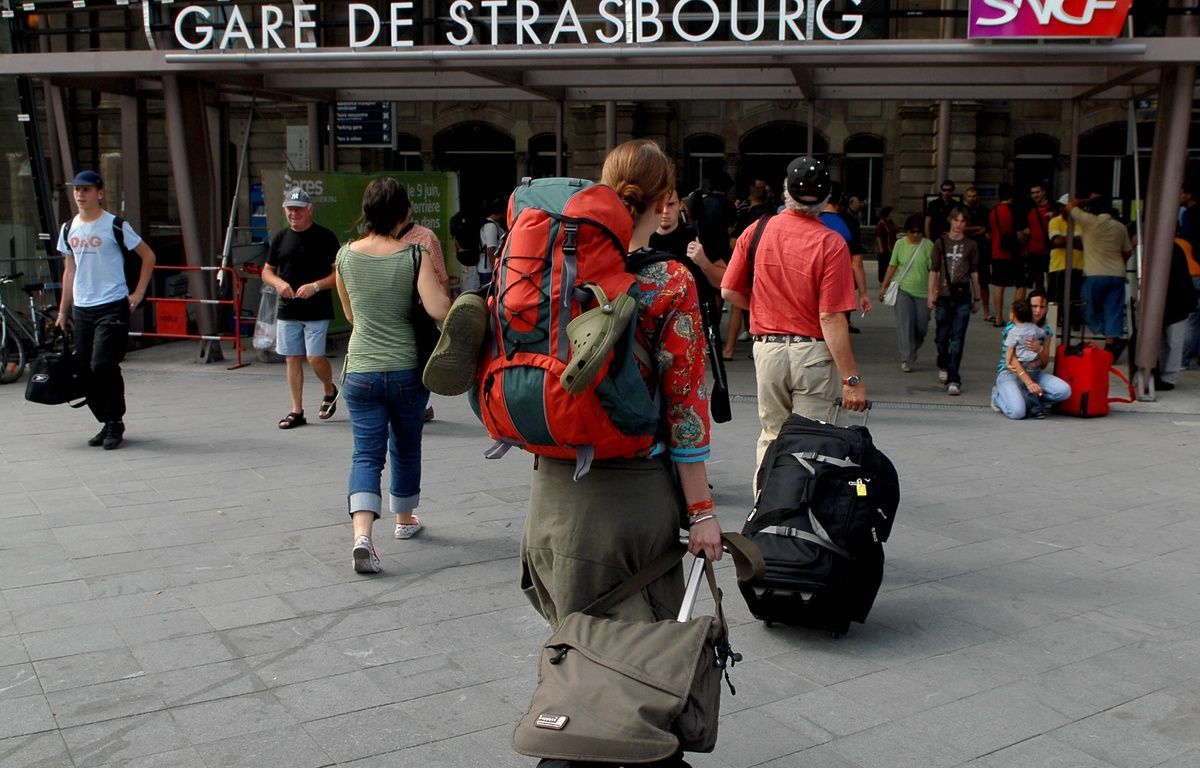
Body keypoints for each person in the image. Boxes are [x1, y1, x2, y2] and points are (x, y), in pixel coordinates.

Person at [519, 143, 723, 762]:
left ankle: (568, 734)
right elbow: (686, 412)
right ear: (665, 205)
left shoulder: (553, 266)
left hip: (553, 499)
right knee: (636, 664)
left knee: (575, 648)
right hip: (633, 504)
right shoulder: (668, 280)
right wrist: (704, 512)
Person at [722, 156, 868, 471]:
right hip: (812, 354)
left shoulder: (757, 230)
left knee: (772, 435)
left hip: (768, 350)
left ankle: (765, 507)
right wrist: (851, 379)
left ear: (787, 190)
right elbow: (830, 317)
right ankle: (799, 513)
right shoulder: (832, 243)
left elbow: (729, 291)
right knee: (810, 441)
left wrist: (765, 307)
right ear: (826, 198)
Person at [335, 178, 450, 573]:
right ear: (405, 215)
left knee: (366, 453)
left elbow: (350, 315)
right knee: (405, 443)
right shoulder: (414, 255)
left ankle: (362, 536)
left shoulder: (345, 256)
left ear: (365, 213)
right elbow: (438, 309)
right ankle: (404, 520)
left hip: (360, 368)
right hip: (405, 368)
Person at [55, 170, 156, 450]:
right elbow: (69, 270)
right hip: (82, 307)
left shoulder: (115, 225)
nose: (80, 195)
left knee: (103, 364)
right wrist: (63, 311)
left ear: (99, 193)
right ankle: (105, 419)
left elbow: (148, 256)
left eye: (86, 190)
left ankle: (115, 421)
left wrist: (138, 292)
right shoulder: (68, 228)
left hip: (112, 304)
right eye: (76, 190)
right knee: (86, 369)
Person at [262, 187, 342, 430]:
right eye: (289, 209)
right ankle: (297, 410)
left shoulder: (325, 237)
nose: (293, 214)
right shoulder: (280, 238)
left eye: (298, 209)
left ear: (310, 209)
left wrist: (316, 287)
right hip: (288, 308)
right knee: (292, 358)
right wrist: (279, 283)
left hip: (317, 308)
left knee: (314, 356)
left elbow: (338, 274)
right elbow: (267, 270)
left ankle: (329, 388)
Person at [1062, 193, 1133, 359]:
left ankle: (1105, 331)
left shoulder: (1089, 221)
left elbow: (1069, 206)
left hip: (1094, 274)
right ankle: (1111, 343)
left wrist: (1088, 199)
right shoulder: (1120, 227)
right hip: (1117, 274)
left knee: (1088, 309)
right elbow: (1128, 251)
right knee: (1113, 310)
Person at [991, 291, 1072, 419]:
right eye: (1034, 306)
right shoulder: (1014, 326)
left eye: (1042, 307)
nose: (1038, 311)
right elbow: (1012, 358)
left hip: (1034, 372)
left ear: (1046, 309)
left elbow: (1044, 364)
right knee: (1017, 413)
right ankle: (997, 395)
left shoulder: (1045, 330)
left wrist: (1039, 349)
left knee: (1064, 391)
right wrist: (1029, 384)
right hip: (1011, 373)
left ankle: (1028, 401)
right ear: (1028, 307)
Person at [927, 207, 982, 396]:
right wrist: (930, 293)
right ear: (950, 221)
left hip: (962, 297)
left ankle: (953, 377)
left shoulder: (971, 245)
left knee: (957, 338)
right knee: (942, 337)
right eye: (956, 220)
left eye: (963, 221)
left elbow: (974, 272)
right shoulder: (940, 243)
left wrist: (977, 297)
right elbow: (933, 269)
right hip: (943, 295)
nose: (959, 225)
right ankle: (943, 361)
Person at [877, 214, 932, 373]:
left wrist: (934, 291)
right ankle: (906, 358)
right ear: (907, 231)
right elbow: (892, 266)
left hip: (923, 292)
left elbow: (934, 270)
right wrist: (883, 287)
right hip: (903, 290)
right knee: (905, 325)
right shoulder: (900, 244)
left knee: (921, 326)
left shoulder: (928, 245)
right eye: (912, 232)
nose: (916, 235)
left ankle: (912, 349)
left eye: (919, 232)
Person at [988, 183, 1027, 328]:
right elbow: (1020, 233)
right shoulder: (1016, 210)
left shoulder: (992, 212)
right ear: (1011, 195)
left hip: (997, 252)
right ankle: (1016, 317)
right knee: (1021, 284)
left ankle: (998, 317)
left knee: (999, 285)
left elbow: (988, 234)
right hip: (1015, 252)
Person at [1046, 193, 1085, 325]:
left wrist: (1066, 240)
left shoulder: (1081, 223)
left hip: (1077, 266)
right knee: (1056, 298)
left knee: (1074, 297)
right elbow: (1056, 241)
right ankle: (1055, 323)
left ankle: (1073, 323)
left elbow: (1085, 243)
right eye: (1062, 207)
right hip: (1058, 266)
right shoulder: (1054, 222)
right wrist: (1076, 241)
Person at [963, 186, 992, 320]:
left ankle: (986, 311)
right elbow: (962, 229)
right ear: (965, 197)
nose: (971, 198)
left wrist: (972, 230)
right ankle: (964, 307)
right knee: (963, 280)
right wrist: (976, 229)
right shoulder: (962, 211)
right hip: (965, 248)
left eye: (974, 196)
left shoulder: (985, 211)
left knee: (983, 281)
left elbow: (986, 230)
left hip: (981, 249)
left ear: (978, 197)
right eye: (969, 196)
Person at [1021, 181, 1053, 292]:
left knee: (1051, 279)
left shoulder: (1054, 207)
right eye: (1033, 193)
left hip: (1049, 249)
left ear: (1044, 192)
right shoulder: (1028, 208)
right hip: (1034, 250)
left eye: (1037, 192)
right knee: (1037, 281)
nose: (1035, 195)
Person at [477, 199, 506, 291]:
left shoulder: (491, 224)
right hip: (488, 270)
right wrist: (495, 270)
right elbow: (490, 251)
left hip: (485, 268)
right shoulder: (491, 226)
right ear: (500, 212)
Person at [874, 205, 898, 283]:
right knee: (883, 269)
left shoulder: (890, 223)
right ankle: (882, 285)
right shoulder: (881, 223)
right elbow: (878, 236)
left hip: (891, 249)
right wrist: (881, 249)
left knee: (890, 267)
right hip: (884, 250)